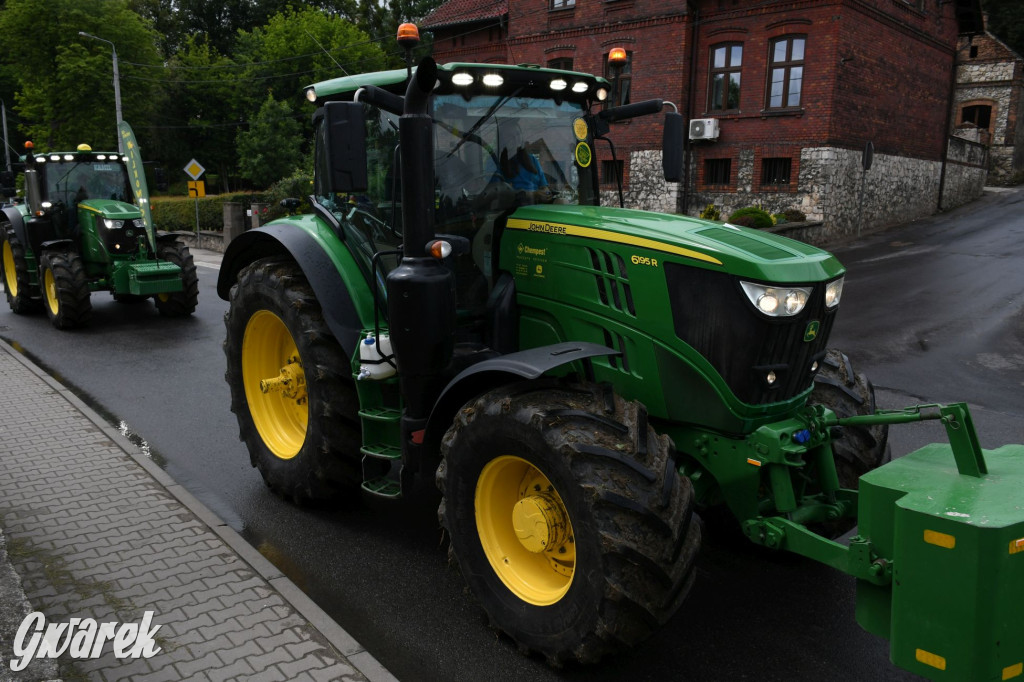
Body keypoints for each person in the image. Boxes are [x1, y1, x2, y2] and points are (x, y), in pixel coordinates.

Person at [491, 120, 553, 205]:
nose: (516, 138)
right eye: (510, 136)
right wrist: (532, 194)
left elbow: (544, 186)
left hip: (537, 205)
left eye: (517, 134)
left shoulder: (532, 160)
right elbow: (497, 193)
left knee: (562, 201)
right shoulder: (495, 162)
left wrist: (546, 193)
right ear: (502, 139)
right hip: (513, 209)